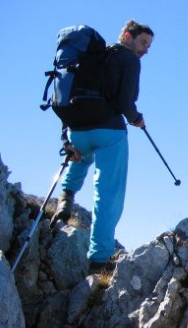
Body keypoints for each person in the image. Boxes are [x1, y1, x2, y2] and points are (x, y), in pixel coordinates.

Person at [50, 19, 154, 275]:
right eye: (143, 42)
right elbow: (125, 101)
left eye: (148, 46)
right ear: (128, 36)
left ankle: (65, 199)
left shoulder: (91, 56)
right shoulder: (129, 60)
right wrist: (136, 118)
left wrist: (67, 138)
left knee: (80, 158)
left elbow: (66, 96)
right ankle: (99, 258)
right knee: (108, 192)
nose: (145, 50)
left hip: (77, 128)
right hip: (108, 131)